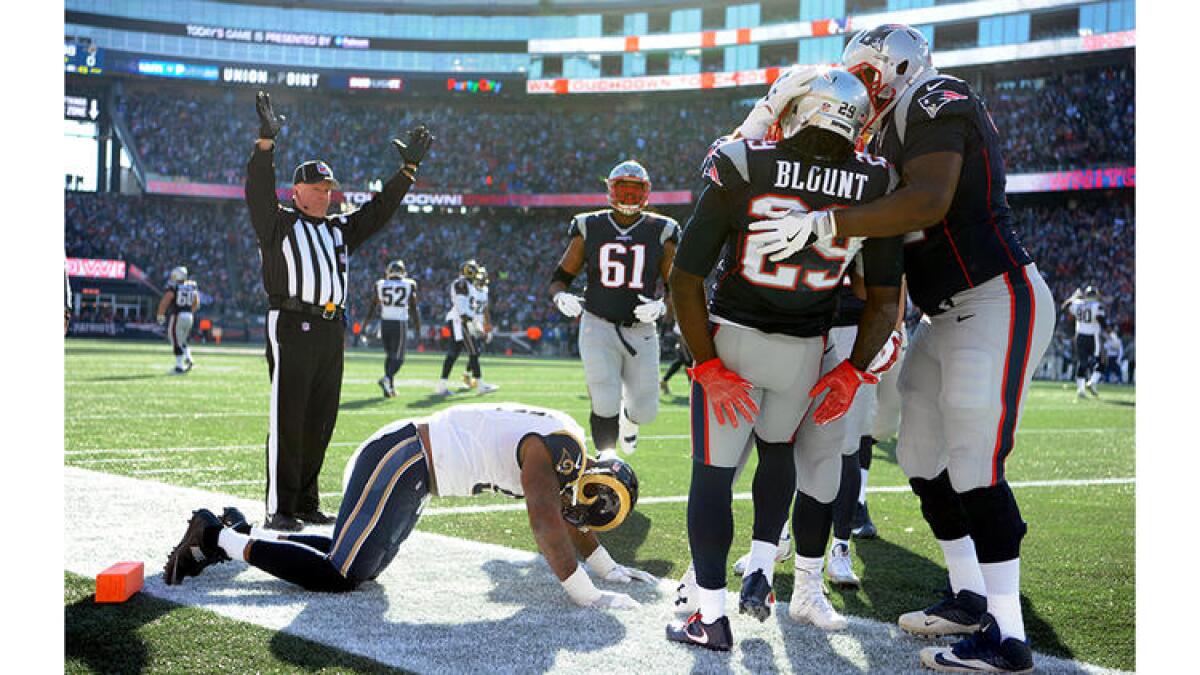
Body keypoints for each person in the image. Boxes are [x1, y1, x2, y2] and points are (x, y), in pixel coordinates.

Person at [746, 25, 1056, 672]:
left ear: (897, 64)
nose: (858, 89)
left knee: (973, 455)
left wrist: (828, 221)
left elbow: (930, 197)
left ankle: (1008, 633)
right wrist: (770, 111)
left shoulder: (936, 94)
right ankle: (970, 595)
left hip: (996, 294)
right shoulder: (875, 136)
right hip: (942, 314)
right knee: (916, 450)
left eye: (864, 74)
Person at [665, 69, 903, 651]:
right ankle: (762, 571)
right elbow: (886, 298)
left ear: (798, 107)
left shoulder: (746, 161)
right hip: (805, 349)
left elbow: (685, 275)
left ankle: (710, 616)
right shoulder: (875, 180)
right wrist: (854, 370)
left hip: (736, 339)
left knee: (714, 476)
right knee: (778, 456)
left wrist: (703, 365)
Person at [164, 402, 654, 610]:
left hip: (414, 469)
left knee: (360, 563)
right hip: (405, 457)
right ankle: (215, 537)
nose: (578, 515)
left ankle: (242, 533)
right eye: (586, 506)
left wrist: (607, 569)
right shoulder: (559, 453)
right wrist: (586, 594)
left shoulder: (566, 447)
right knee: (341, 571)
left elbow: (567, 521)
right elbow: (547, 521)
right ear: (589, 476)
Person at [245, 90, 432, 531]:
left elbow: (379, 211)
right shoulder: (278, 223)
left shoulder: (337, 230)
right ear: (297, 192)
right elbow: (256, 191)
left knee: (320, 418)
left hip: (332, 327)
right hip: (291, 322)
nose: (327, 195)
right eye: (318, 188)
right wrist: (265, 144)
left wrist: (407, 171)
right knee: (288, 417)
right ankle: (280, 508)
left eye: (330, 188)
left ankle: (306, 501)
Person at [549, 160, 678, 457]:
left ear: (646, 193)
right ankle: (607, 461)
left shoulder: (662, 230)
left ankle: (629, 422)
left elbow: (677, 287)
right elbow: (559, 279)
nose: (629, 198)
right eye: (624, 190)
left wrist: (661, 307)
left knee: (645, 409)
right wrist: (560, 298)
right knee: (604, 398)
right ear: (611, 189)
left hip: (641, 329)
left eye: (636, 192)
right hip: (597, 323)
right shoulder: (590, 226)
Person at [437, 260, 498, 396]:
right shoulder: (462, 284)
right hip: (460, 321)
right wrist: (471, 324)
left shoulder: (470, 286)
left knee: (454, 354)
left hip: (463, 321)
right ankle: (481, 385)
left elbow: (472, 310)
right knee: (474, 351)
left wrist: (477, 325)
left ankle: (441, 386)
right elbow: (462, 308)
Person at [368, 259, 420, 398]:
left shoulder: (380, 284)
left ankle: (389, 387)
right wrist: (417, 324)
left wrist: (366, 322)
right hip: (400, 322)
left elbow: (373, 305)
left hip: (385, 322)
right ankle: (387, 378)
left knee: (390, 355)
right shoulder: (409, 284)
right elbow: (413, 307)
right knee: (399, 358)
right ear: (403, 272)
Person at [1061, 285, 1106, 398]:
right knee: (1101, 360)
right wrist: (1110, 334)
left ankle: (1081, 389)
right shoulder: (1097, 305)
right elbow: (1102, 321)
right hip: (1093, 336)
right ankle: (1092, 382)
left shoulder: (1078, 303)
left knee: (1082, 362)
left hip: (1080, 335)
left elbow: (1064, 307)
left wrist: (1073, 297)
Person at [156, 266, 200, 374]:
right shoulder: (192, 286)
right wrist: (189, 312)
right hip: (189, 315)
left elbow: (166, 300)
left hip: (178, 315)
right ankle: (189, 358)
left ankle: (179, 366)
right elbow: (196, 302)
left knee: (175, 339)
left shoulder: (174, 287)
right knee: (182, 339)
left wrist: (160, 315)